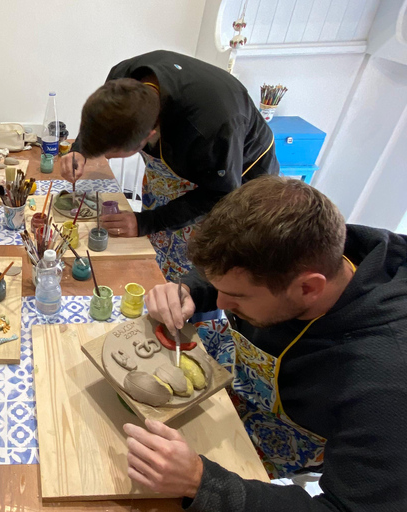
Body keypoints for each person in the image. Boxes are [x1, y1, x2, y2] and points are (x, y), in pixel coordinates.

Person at [129, 176, 407, 511]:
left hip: (289, 433)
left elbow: (343, 508)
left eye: (236, 297)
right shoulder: (307, 246)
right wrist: (187, 290)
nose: (221, 303)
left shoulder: (385, 379)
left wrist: (202, 482)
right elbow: (232, 272)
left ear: (308, 288)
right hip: (240, 382)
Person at [61, 51, 279, 278]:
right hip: (188, 156)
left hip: (233, 174)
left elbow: (218, 194)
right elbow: (100, 119)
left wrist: (147, 222)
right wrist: (80, 150)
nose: (106, 159)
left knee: (196, 264)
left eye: (112, 155)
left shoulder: (210, 129)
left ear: (149, 137)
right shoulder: (122, 80)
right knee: (153, 248)